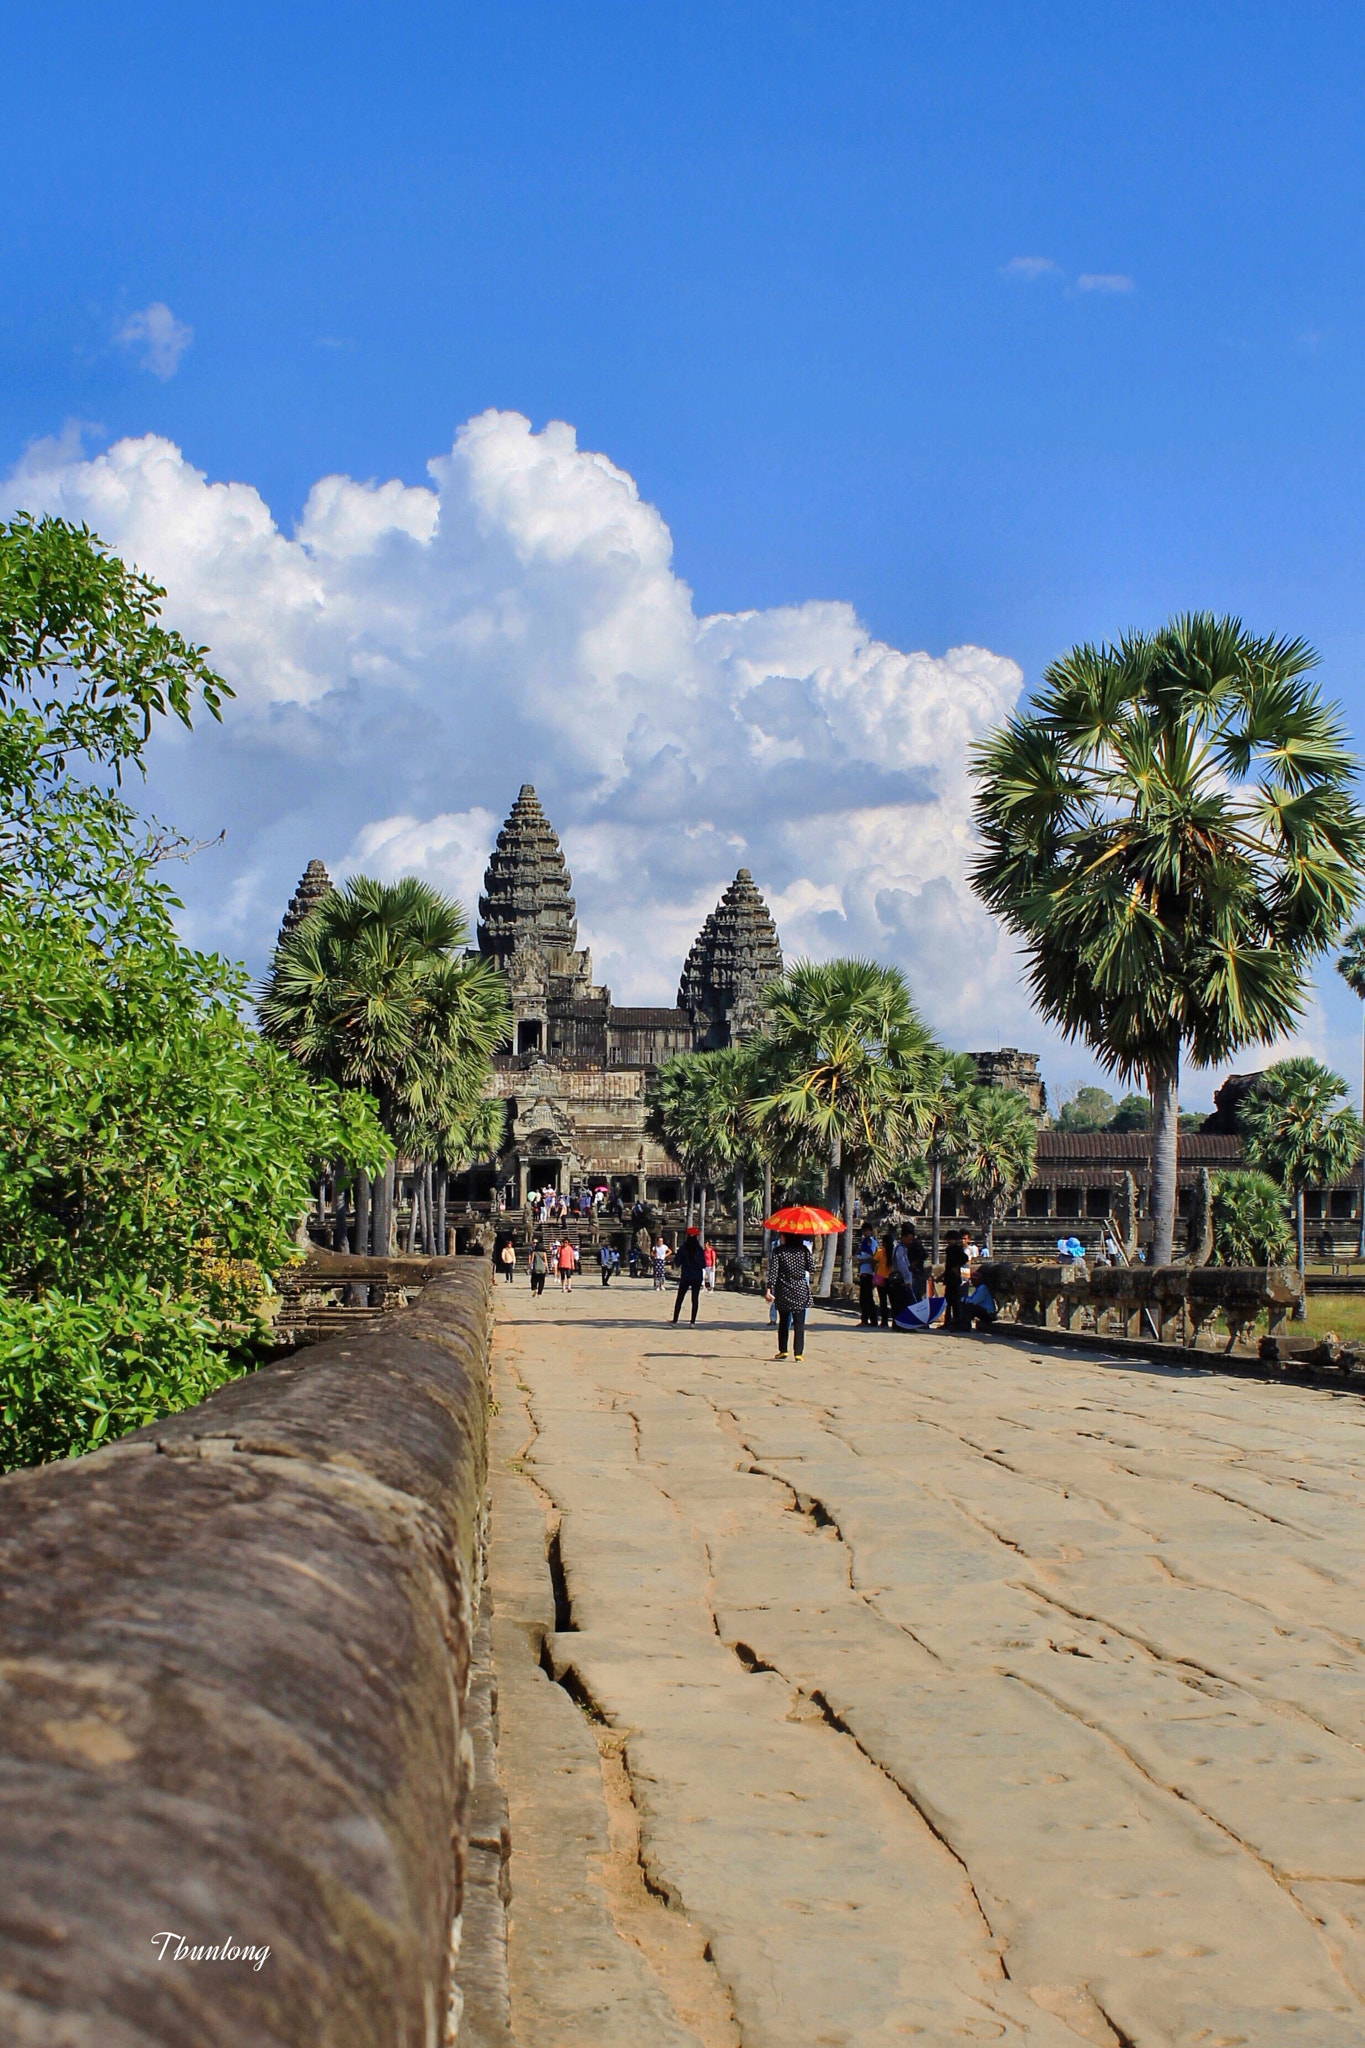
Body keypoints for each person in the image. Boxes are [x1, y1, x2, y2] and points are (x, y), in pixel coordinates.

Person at [766, 1232, 813, 1360]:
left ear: (785, 1237)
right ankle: (798, 1353)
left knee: (784, 1321)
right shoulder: (803, 1250)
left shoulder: (779, 1251)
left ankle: (783, 1350)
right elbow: (811, 1267)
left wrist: (769, 1289)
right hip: (800, 1290)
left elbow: (773, 1272)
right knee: (799, 1323)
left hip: (784, 1289)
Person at [673, 1224, 706, 1325]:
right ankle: (692, 1322)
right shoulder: (699, 1249)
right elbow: (703, 1264)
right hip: (697, 1276)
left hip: (686, 1275)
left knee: (680, 1298)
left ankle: (675, 1320)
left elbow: (677, 1262)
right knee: (695, 1299)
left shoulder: (683, 1249)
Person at [944, 1230, 970, 1329]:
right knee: (948, 1301)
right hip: (950, 1277)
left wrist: (957, 1266)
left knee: (954, 1301)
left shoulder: (956, 1249)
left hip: (954, 1277)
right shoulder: (949, 1249)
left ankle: (956, 1322)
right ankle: (948, 1321)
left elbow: (964, 1258)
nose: (949, 1241)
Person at [857, 1229, 878, 1326]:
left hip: (868, 1272)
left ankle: (870, 1319)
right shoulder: (864, 1243)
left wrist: (860, 1259)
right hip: (863, 1271)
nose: (865, 1233)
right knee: (864, 1297)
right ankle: (867, 1319)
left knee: (867, 1297)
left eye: (867, 1231)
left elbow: (872, 1257)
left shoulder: (872, 1243)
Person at [874, 1233, 894, 1328]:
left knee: (883, 1301)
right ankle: (895, 1320)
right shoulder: (894, 1252)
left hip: (881, 1277)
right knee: (893, 1300)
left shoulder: (881, 1251)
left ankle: (884, 1321)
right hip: (891, 1278)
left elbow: (874, 1261)